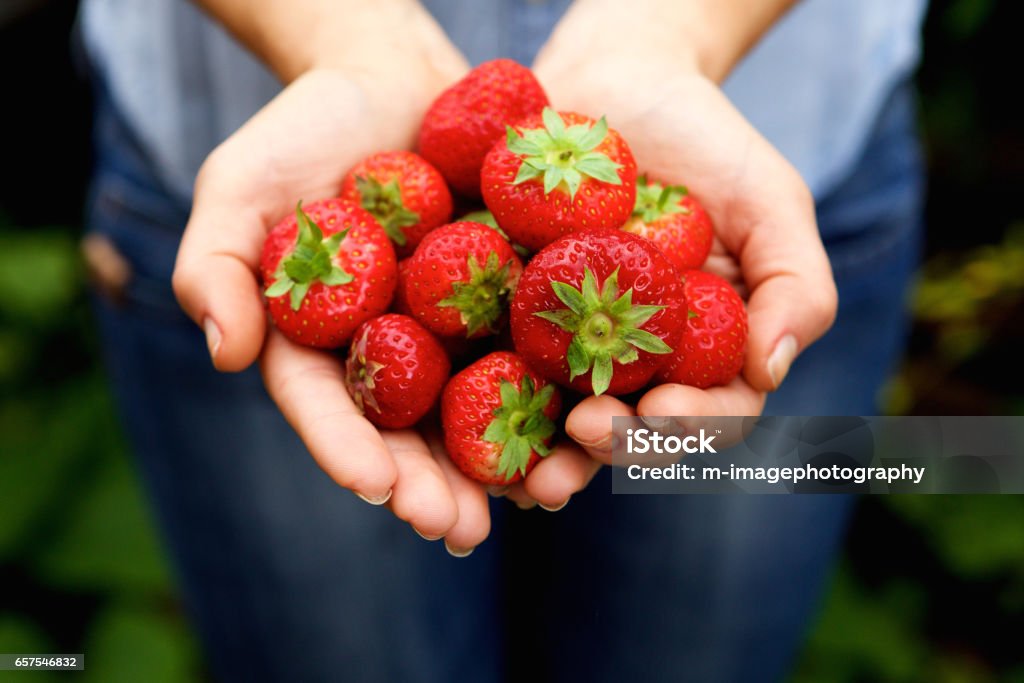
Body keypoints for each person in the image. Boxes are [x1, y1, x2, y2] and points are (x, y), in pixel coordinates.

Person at [79, 0, 927, 680]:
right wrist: (336, 31)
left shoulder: (585, 256)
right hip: (221, 125)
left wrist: (676, 25)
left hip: (799, 131)